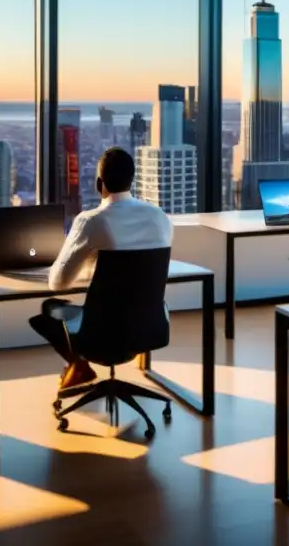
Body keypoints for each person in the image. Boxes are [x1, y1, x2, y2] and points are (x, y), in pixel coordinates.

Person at [29, 147, 173, 396]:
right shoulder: (159, 217)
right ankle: (80, 367)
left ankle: (78, 364)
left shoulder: (92, 220)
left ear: (99, 183)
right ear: (132, 180)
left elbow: (58, 282)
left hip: (100, 334)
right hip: (148, 327)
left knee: (51, 307)